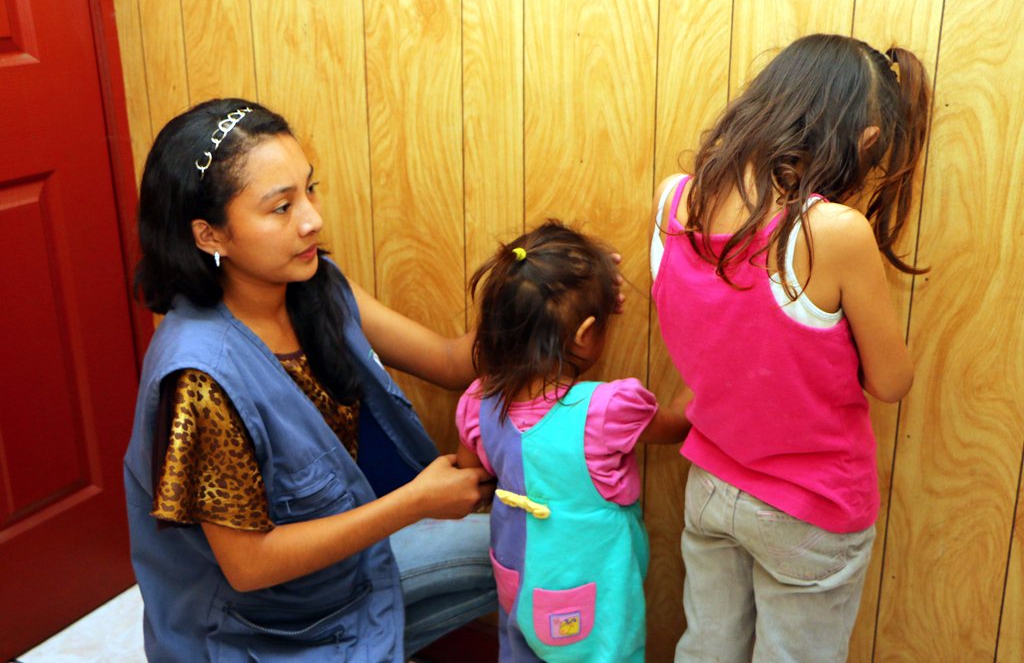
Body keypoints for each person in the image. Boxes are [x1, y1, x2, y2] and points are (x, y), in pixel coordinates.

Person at [123, 97, 499, 662]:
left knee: (543, 538)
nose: (312, 219)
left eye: (309, 188)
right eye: (280, 207)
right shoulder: (199, 377)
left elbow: (448, 360)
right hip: (262, 631)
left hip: (342, 577)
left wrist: (542, 296)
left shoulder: (315, 285)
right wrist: (415, 503)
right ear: (210, 236)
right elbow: (249, 567)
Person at [650, 34, 932, 662]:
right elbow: (891, 381)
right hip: (811, 508)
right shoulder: (832, 230)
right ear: (864, 140)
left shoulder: (677, 199)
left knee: (706, 650)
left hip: (712, 485)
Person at [455, 221, 690, 662]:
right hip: (594, 602)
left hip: (518, 582)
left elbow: (468, 474)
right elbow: (678, 423)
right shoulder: (606, 411)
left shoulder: (477, 403)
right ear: (585, 335)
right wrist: (713, 356)